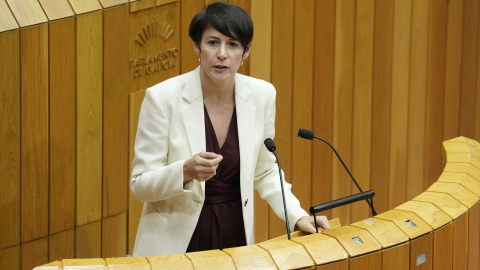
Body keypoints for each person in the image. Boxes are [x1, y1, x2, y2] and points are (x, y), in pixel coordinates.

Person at [130, 1, 330, 257]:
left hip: (235, 232)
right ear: (197, 47)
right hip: (176, 243)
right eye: (212, 42)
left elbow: (266, 170)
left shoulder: (262, 95)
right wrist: (184, 171)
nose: (222, 54)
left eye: (232, 44)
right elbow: (140, 185)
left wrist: (297, 215)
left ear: (245, 52)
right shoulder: (162, 98)